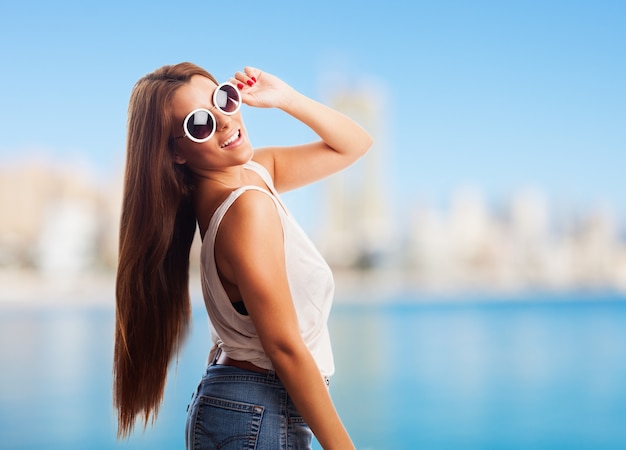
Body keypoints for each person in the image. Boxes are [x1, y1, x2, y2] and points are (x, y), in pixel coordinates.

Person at [113, 62, 372, 449]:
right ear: (176, 153)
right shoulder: (244, 209)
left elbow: (354, 144)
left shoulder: (254, 173)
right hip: (259, 411)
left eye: (224, 99)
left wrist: (285, 97)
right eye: (198, 123)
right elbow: (284, 348)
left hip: (246, 409)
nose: (224, 121)